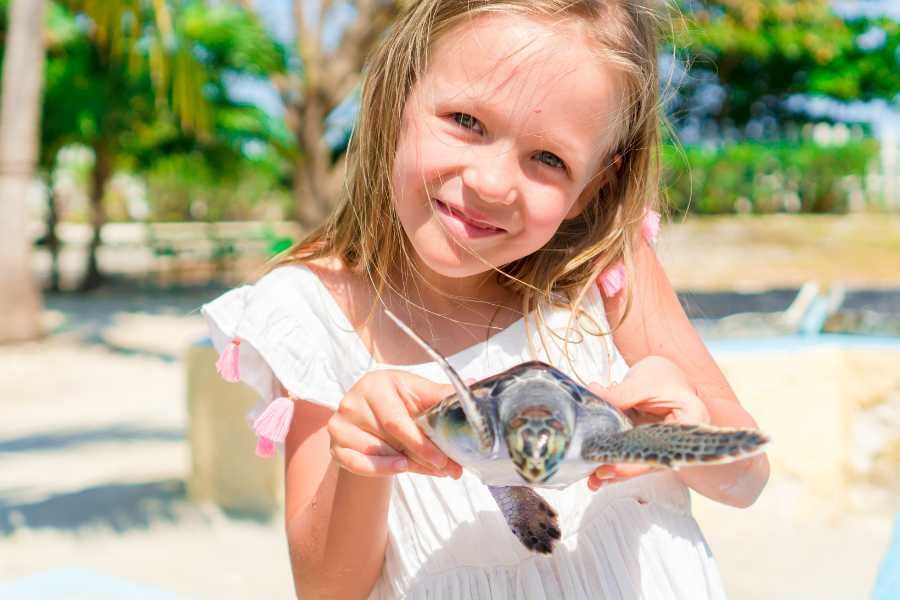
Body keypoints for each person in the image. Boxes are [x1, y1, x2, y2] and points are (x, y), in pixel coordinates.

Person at [201, 0, 770, 597]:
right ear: (398, 97)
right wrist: (360, 456)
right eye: (466, 122)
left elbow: (748, 477)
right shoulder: (312, 313)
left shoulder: (605, 267)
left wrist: (690, 438)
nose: (491, 184)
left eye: (549, 159)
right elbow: (328, 589)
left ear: (591, 186)